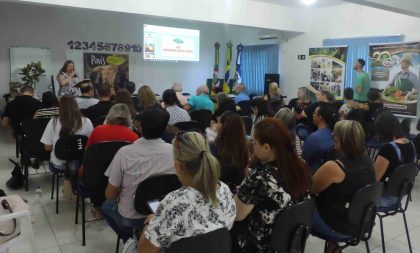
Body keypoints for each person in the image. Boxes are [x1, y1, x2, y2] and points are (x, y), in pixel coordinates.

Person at [137, 131, 236, 252]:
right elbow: (225, 229)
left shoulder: (173, 202)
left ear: (177, 165)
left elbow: (144, 251)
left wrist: (150, 223)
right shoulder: (224, 190)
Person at [233, 118, 311, 252]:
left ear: (267, 147)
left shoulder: (260, 177)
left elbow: (237, 214)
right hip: (289, 241)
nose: (253, 146)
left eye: (254, 143)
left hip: (261, 245)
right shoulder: (300, 166)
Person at [101, 108, 175, 242]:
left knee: (106, 205)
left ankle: (130, 240)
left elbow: (110, 195)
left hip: (131, 218)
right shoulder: (175, 152)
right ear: (165, 128)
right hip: (164, 213)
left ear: (140, 127)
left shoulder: (124, 153)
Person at [311, 120, 375, 252]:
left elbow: (310, 189)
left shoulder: (334, 167)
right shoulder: (368, 161)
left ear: (341, 139)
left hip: (338, 226)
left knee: (296, 208)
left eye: (335, 134)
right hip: (361, 221)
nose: (332, 135)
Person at [40, 96, 93, 189]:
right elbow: (90, 145)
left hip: (59, 164)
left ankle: (69, 185)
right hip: (80, 163)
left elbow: (47, 147)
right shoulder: (86, 121)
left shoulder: (53, 122)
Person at [373, 112, 416, 208]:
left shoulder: (388, 149)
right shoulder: (410, 144)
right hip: (400, 195)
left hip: (384, 198)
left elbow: (374, 179)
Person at [210, 112, 249, 190]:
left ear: (223, 125)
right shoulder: (243, 145)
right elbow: (246, 171)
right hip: (238, 187)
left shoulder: (214, 146)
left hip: (219, 189)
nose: (216, 125)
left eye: (218, 122)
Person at [302, 102, 338, 173]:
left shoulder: (313, 139)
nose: (313, 115)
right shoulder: (337, 134)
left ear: (320, 117)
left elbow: (304, 161)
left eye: (314, 113)